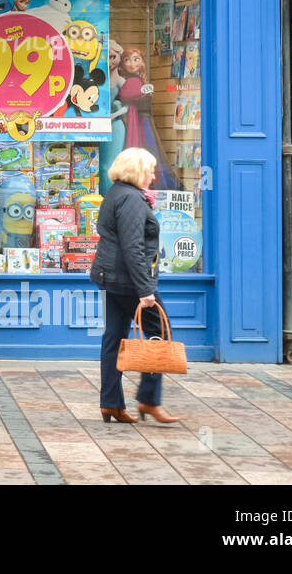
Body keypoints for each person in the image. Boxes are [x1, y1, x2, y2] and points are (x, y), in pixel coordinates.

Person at [90, 146, 180, 425]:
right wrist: (146, 291)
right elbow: (133, 247)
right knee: (159, 333)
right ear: (137, 171)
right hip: (129, 281)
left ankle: (111, 404)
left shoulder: (117, 192)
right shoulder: (130, 199)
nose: (154, 176)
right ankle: (149, 399)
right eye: (150, 170)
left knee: (113, 339)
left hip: (113, 277)